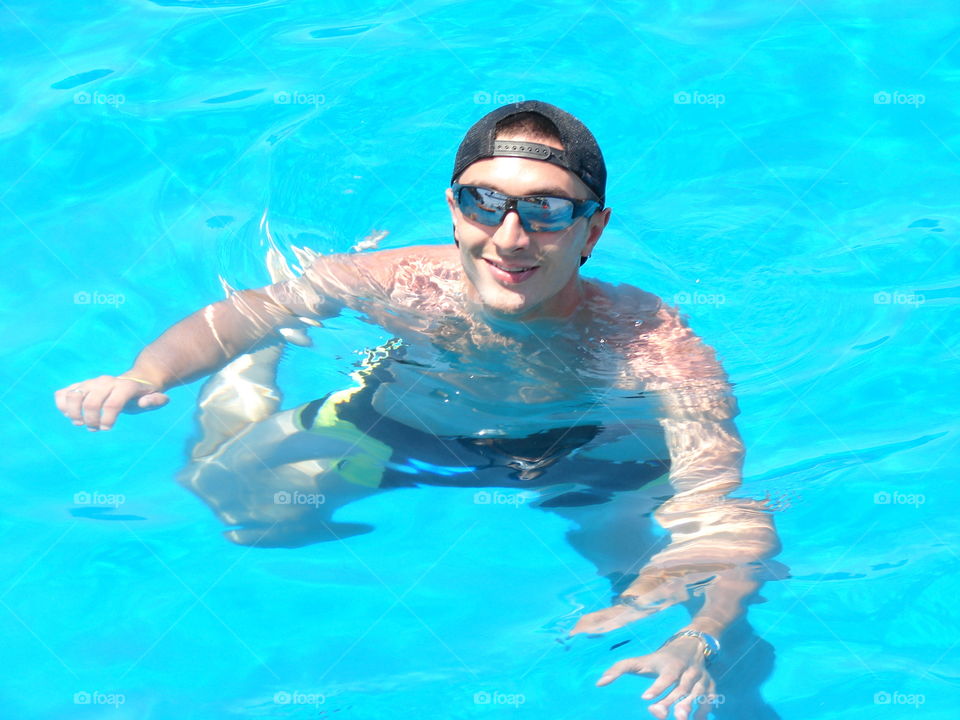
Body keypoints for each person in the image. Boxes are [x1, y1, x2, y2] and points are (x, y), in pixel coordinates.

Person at [55, 101, 779, 719]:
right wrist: (141, 374)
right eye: (484, 201)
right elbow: (244, 312)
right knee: (237, 503)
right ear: (453, 208)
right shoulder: (402, 281)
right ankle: (253, 379)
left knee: (682, 616)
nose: (510, 237)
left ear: (592, 229)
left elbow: (724, 509)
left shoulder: (652, 345)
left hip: (582, 464)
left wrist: (708, 632)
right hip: (401, 426)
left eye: (547, 211)